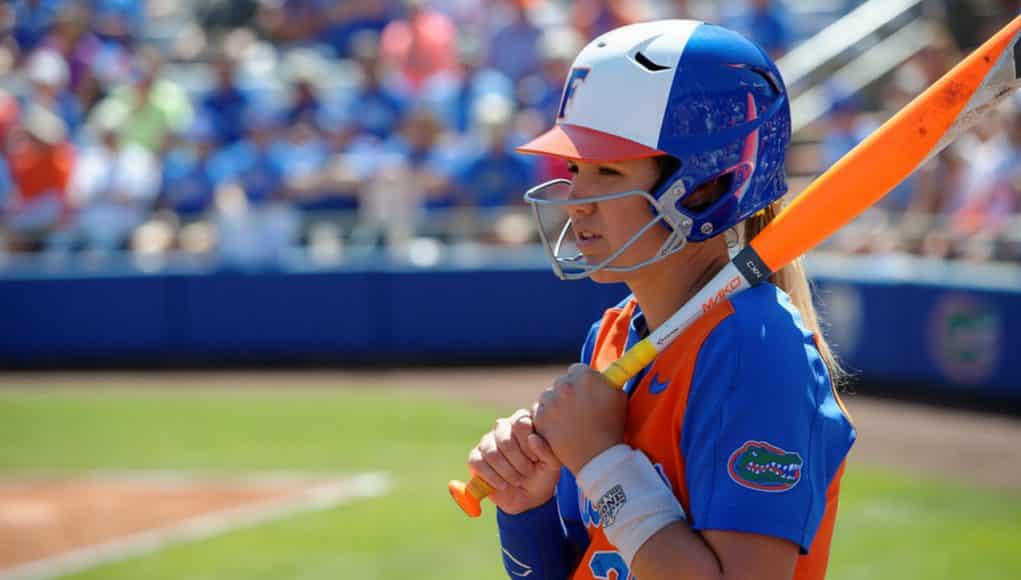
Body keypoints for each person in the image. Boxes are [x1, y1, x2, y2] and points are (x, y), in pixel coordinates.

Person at [464, 20, 856, 580]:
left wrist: (601, 461)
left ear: (705, 187)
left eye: (607, 171)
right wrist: (526, 507)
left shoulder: (756, 348)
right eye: (575, 168)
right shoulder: (613, 333)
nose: (576, 200)